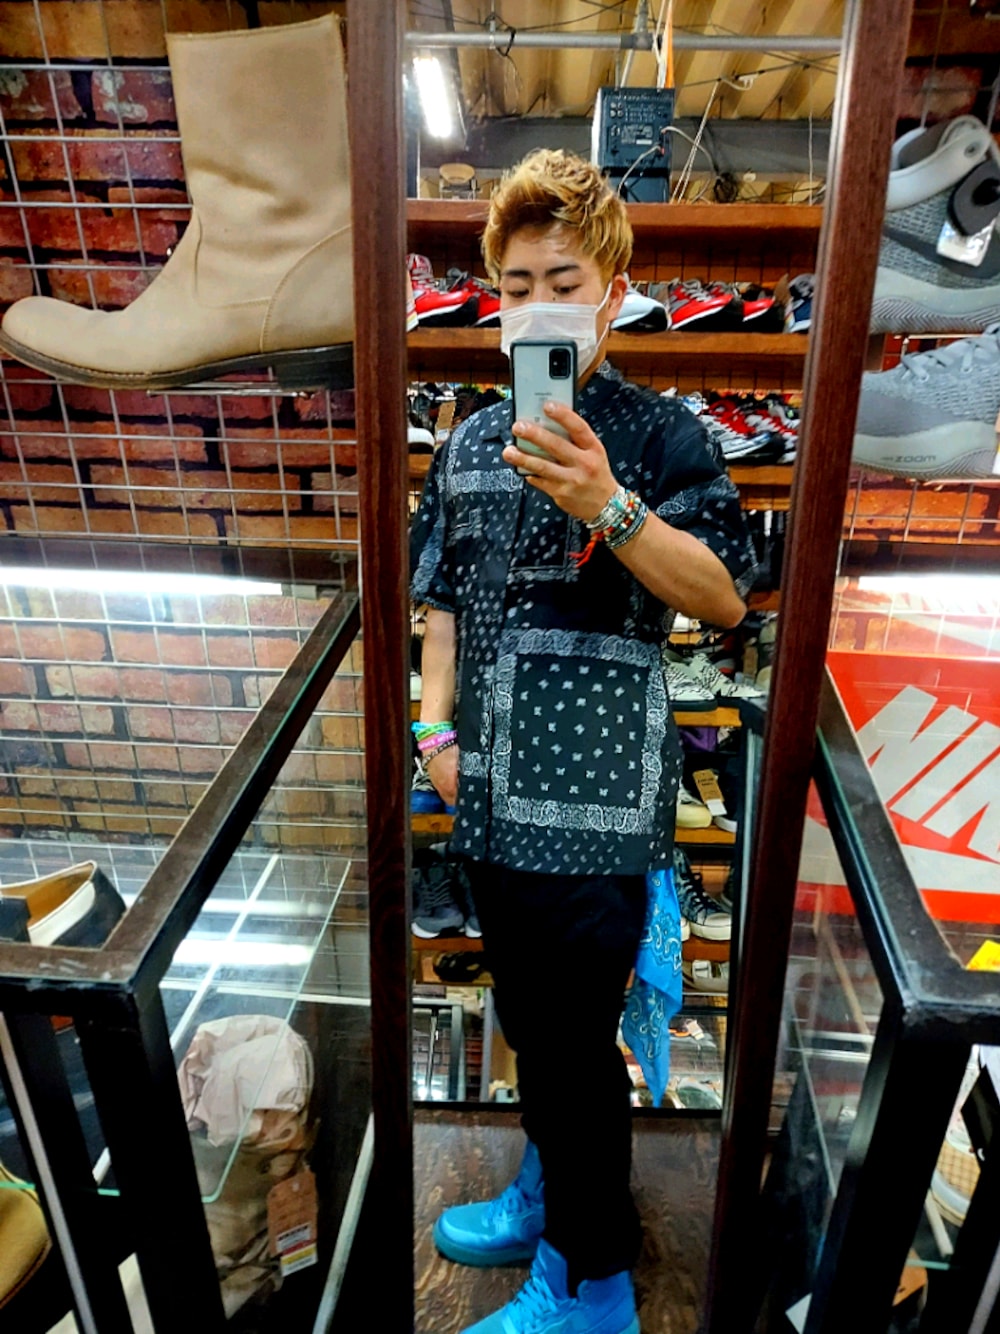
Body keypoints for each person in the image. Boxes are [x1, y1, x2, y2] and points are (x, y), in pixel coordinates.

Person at [410, 148, 756, 1334]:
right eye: (515, 285)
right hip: (487, 789)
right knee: (533, 1025)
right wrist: (431, 731)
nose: (536, 305)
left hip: (598, 800)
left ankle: (591, 1284)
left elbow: (722, 596)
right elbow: (438, 598)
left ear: (612, 289)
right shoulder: (468, 438)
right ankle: (550, 1188)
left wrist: (608, 503)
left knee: (572, 1048)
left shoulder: (662, 434)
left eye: (561, 281)